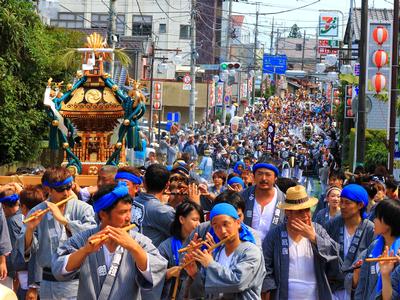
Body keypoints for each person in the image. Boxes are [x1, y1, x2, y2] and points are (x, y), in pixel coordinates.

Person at [51, 182, 168, 299]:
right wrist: (85, 251)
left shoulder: (139, 241)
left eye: (129, 211)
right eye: (122, 212)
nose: (129, 218)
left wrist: (135, 248)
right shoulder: (84, 239)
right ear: (103, 214)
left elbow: (158, 269)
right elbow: (58, 268)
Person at [18, 166, 97, 300]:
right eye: (61, 190)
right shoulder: (36, 211)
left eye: (69, 187)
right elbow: (27, 251)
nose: (66, 193)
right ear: (48, 189)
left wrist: (64, 221)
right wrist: (30, 229)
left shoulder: (84, 209)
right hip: (49, 283)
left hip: (78, 281)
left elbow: (93, 236)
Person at [262, 185, 340, 300]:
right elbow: (265, 266)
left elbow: (335, 254)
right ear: (288, 212)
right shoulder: (275, 234)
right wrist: (268, 291)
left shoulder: (317, 230)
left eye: (307, 210)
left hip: (316, 295)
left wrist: (314, 238)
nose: (305, 215)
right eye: (299, 211)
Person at [183, 203, 266, 299]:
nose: (222, 231)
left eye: (226, 224)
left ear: (238, 223)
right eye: (216, 226)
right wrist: (195, 274)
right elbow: (208, 289)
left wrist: (210, 264)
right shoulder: (217, 253)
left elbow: (238, 282)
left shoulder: (251, 252)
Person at [325, 184, 374, 299]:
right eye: (341, 202)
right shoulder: (332, 224)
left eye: (347, 203)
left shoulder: (370, 229)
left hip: (357, 288)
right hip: (333, 287)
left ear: (360, 205)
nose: (342, 206)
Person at [354, 199, 400, 300]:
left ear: (388, 223)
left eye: (378, 218)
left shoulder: (398, 254)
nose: (374, 220)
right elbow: (362, 284)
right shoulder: (374, 246)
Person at [157, 200, 203, 299]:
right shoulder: (166, 246)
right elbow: (153, 274)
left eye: (200, 220)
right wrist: (168, 273)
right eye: (194, 219)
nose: (198, 224)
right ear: (182, 219)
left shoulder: (203, 245)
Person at [241, 161, 286, 242]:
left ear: (275, 178)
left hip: (273, 251)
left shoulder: (285, 200)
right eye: (259, 174)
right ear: (254, 176)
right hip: (247, 249)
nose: (263, 178)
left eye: (268, 174)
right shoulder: (243, 196)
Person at [134, 164, 175, 247]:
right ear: (167, 185)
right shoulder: (164, 211)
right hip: (149, 257)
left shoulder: (131, 201)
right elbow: (185, 234)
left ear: (144, 182)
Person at [114, 167, 145, 232]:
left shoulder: (144, 208)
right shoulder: (106, 207)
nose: (120, 187)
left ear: (136, 188)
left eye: (125, 184)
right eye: (117, 183)